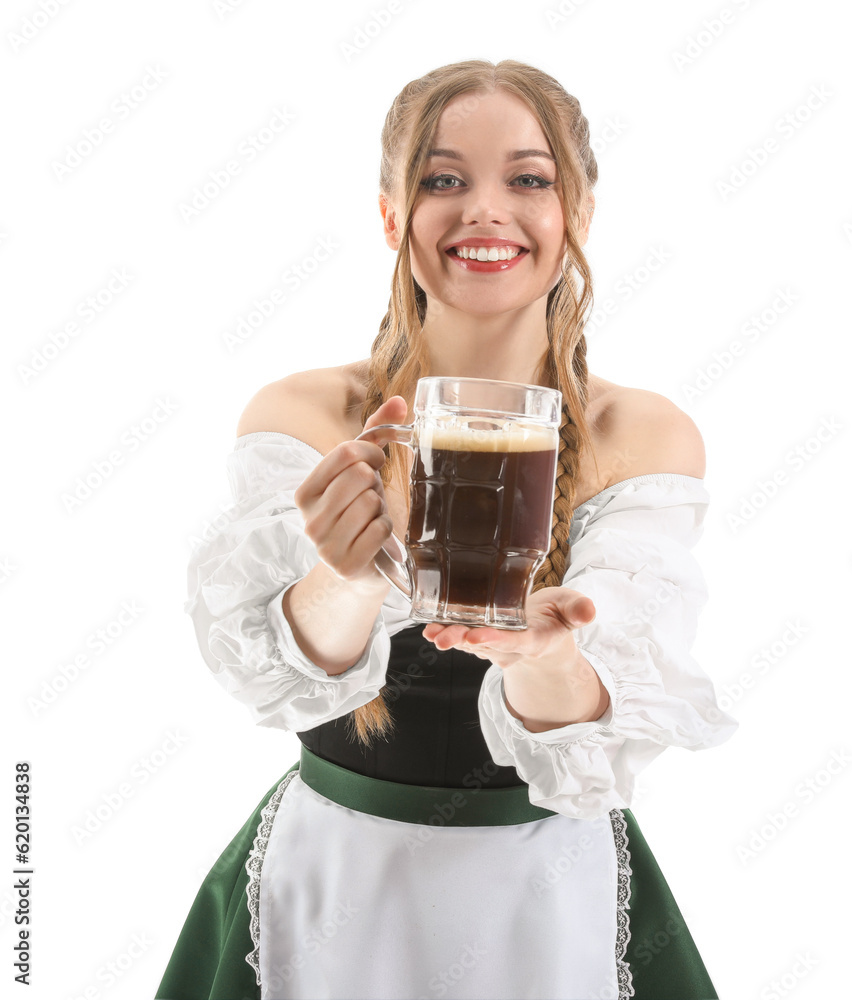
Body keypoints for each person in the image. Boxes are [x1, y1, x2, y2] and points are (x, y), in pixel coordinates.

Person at [155, 58, 738, 1000]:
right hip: (331, 882)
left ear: (576, 215)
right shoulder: (307, 412)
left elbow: (597, 730)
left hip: (551, 896)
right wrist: (343, 573)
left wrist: (541, 656)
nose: (485, 210)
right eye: (442, 179)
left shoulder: (643, 435)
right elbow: (273, 681)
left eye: (528, 179)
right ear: (393, 216)